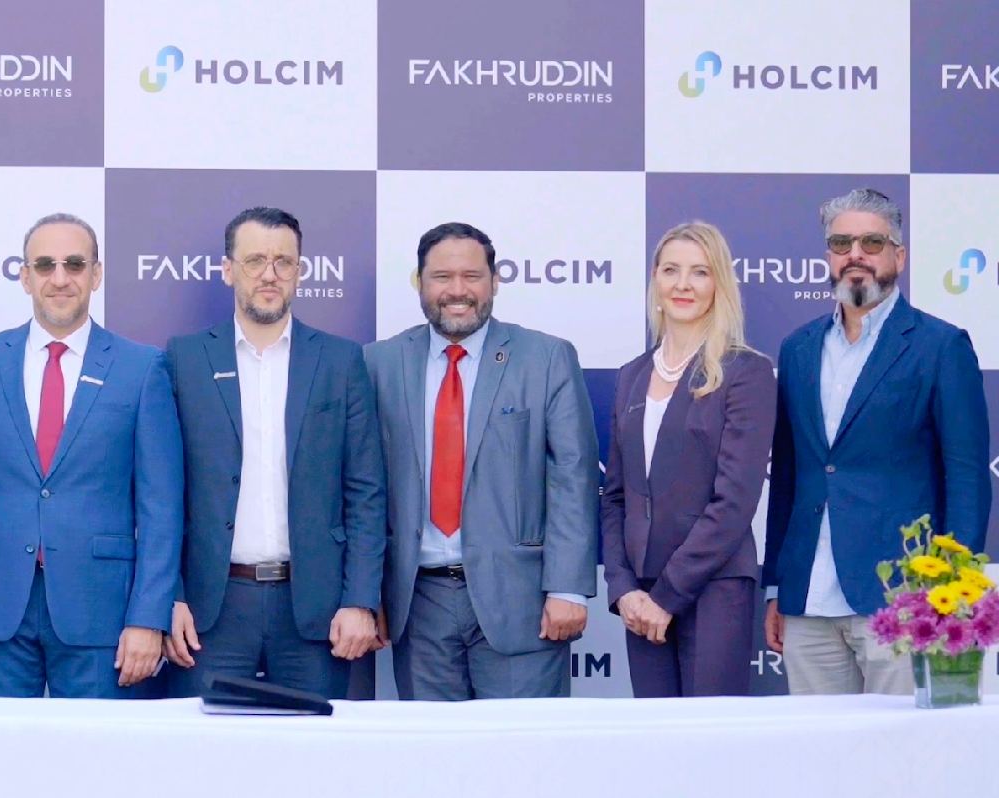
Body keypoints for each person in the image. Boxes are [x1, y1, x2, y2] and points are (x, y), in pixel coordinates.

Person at [0, 212, 181, 698]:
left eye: (74, 264)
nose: (60, 278)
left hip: (103, 614)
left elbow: (162, 507)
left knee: (100, 768)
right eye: (45, 265)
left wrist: (148, 617)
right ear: (25, 276)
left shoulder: (141, 368)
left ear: (96, 274)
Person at [764, 188, 990, 694]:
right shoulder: (798, 349)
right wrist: (780, 585)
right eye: (841, 243)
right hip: (808, 599)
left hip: (902, 600)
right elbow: (790, 475)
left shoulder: (940, 346)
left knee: (903, 760)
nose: (855, 255)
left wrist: (951, 589)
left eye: (871, 241)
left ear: (899, 256)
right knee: (821, 761)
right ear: (827, 255)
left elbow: (967, 476)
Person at [365, 222, 599, 699]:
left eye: (472, 276)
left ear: (494, 282)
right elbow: (364, 489)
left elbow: (572, 478)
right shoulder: (378, 363)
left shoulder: (546, 357)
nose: (457, 291)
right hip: (418, 604)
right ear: (420, 283)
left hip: (523, 603)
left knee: (525, 760)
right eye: (441, 277)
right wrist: (367, 595)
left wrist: (569, 588)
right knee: (433, 762)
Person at [164, 207, 386, 700]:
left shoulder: (340, 360)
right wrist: (170, 597)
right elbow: (162, 492)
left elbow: (366, 491)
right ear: (227, 270)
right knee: (202, 762)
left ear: (300, 272)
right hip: (209, 609)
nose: (270, 274)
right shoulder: (183, 358)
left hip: (314, 609)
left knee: (314, 765)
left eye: (284, 262)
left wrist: (360, 601)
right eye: (255, 260)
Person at [601, 222, 775, 697]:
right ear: (655, 281)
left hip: (713, 586)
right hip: (640, 594)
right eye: (671, 270)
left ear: (719, 284)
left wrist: (668, 596)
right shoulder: (631, 375)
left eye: (700, 272)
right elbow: (614, 496)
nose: (683, 284)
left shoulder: (747, 372)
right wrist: (623, 589)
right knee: (656, 747)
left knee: (710, 747)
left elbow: (735, 502)